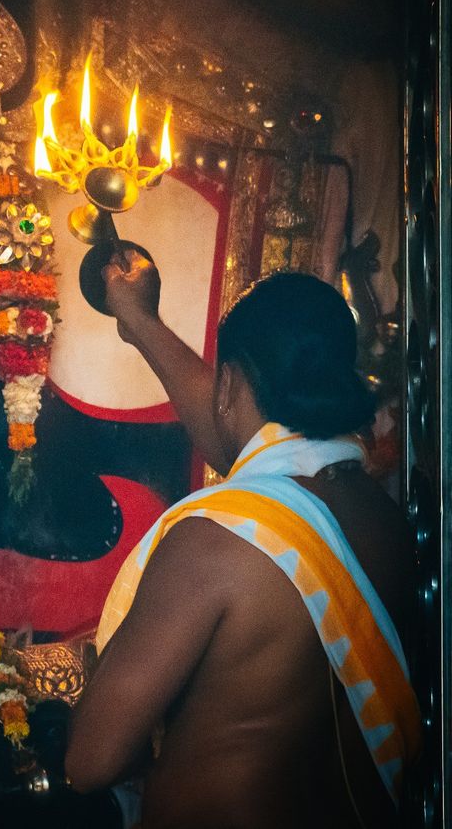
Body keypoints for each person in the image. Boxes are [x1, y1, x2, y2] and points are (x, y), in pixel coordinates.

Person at [66, 253, 420, 829]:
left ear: (227, 382)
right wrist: (141, 322)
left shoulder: (216, 541)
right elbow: (246, 442)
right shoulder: (382, 522)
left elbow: (91, 761)